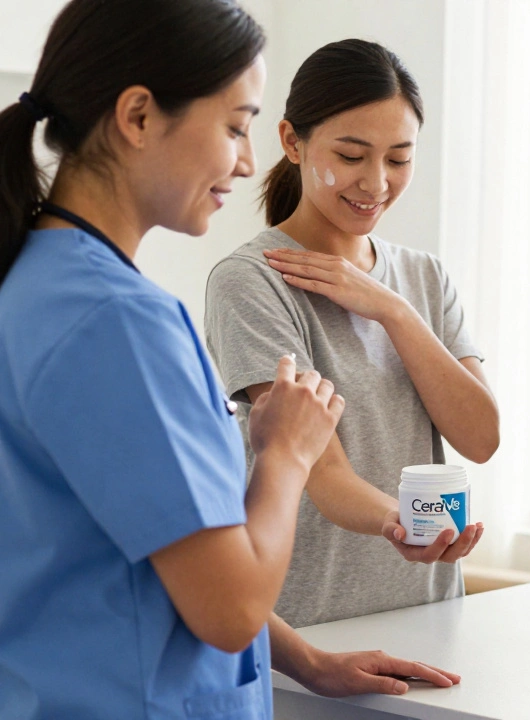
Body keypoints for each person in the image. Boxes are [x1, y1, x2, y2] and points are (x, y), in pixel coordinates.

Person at [0, 1, 347, 716]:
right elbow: (228, 607)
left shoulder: (33, 282)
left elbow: (131, 555)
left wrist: (308, 660)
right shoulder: (116, 321)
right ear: (137, 117)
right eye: (235, 125)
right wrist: (285, 452)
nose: (249, 161)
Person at [205, 39, 497, 640]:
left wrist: (393, 310)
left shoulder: (424, 277)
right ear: (292, 142)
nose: (376, 182)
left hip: (432, 614)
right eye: (352, 154)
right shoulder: (251, 281)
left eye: (399, 158)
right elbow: (319, 470)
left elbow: (481, 435)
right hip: (311, 630)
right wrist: (404, 525)